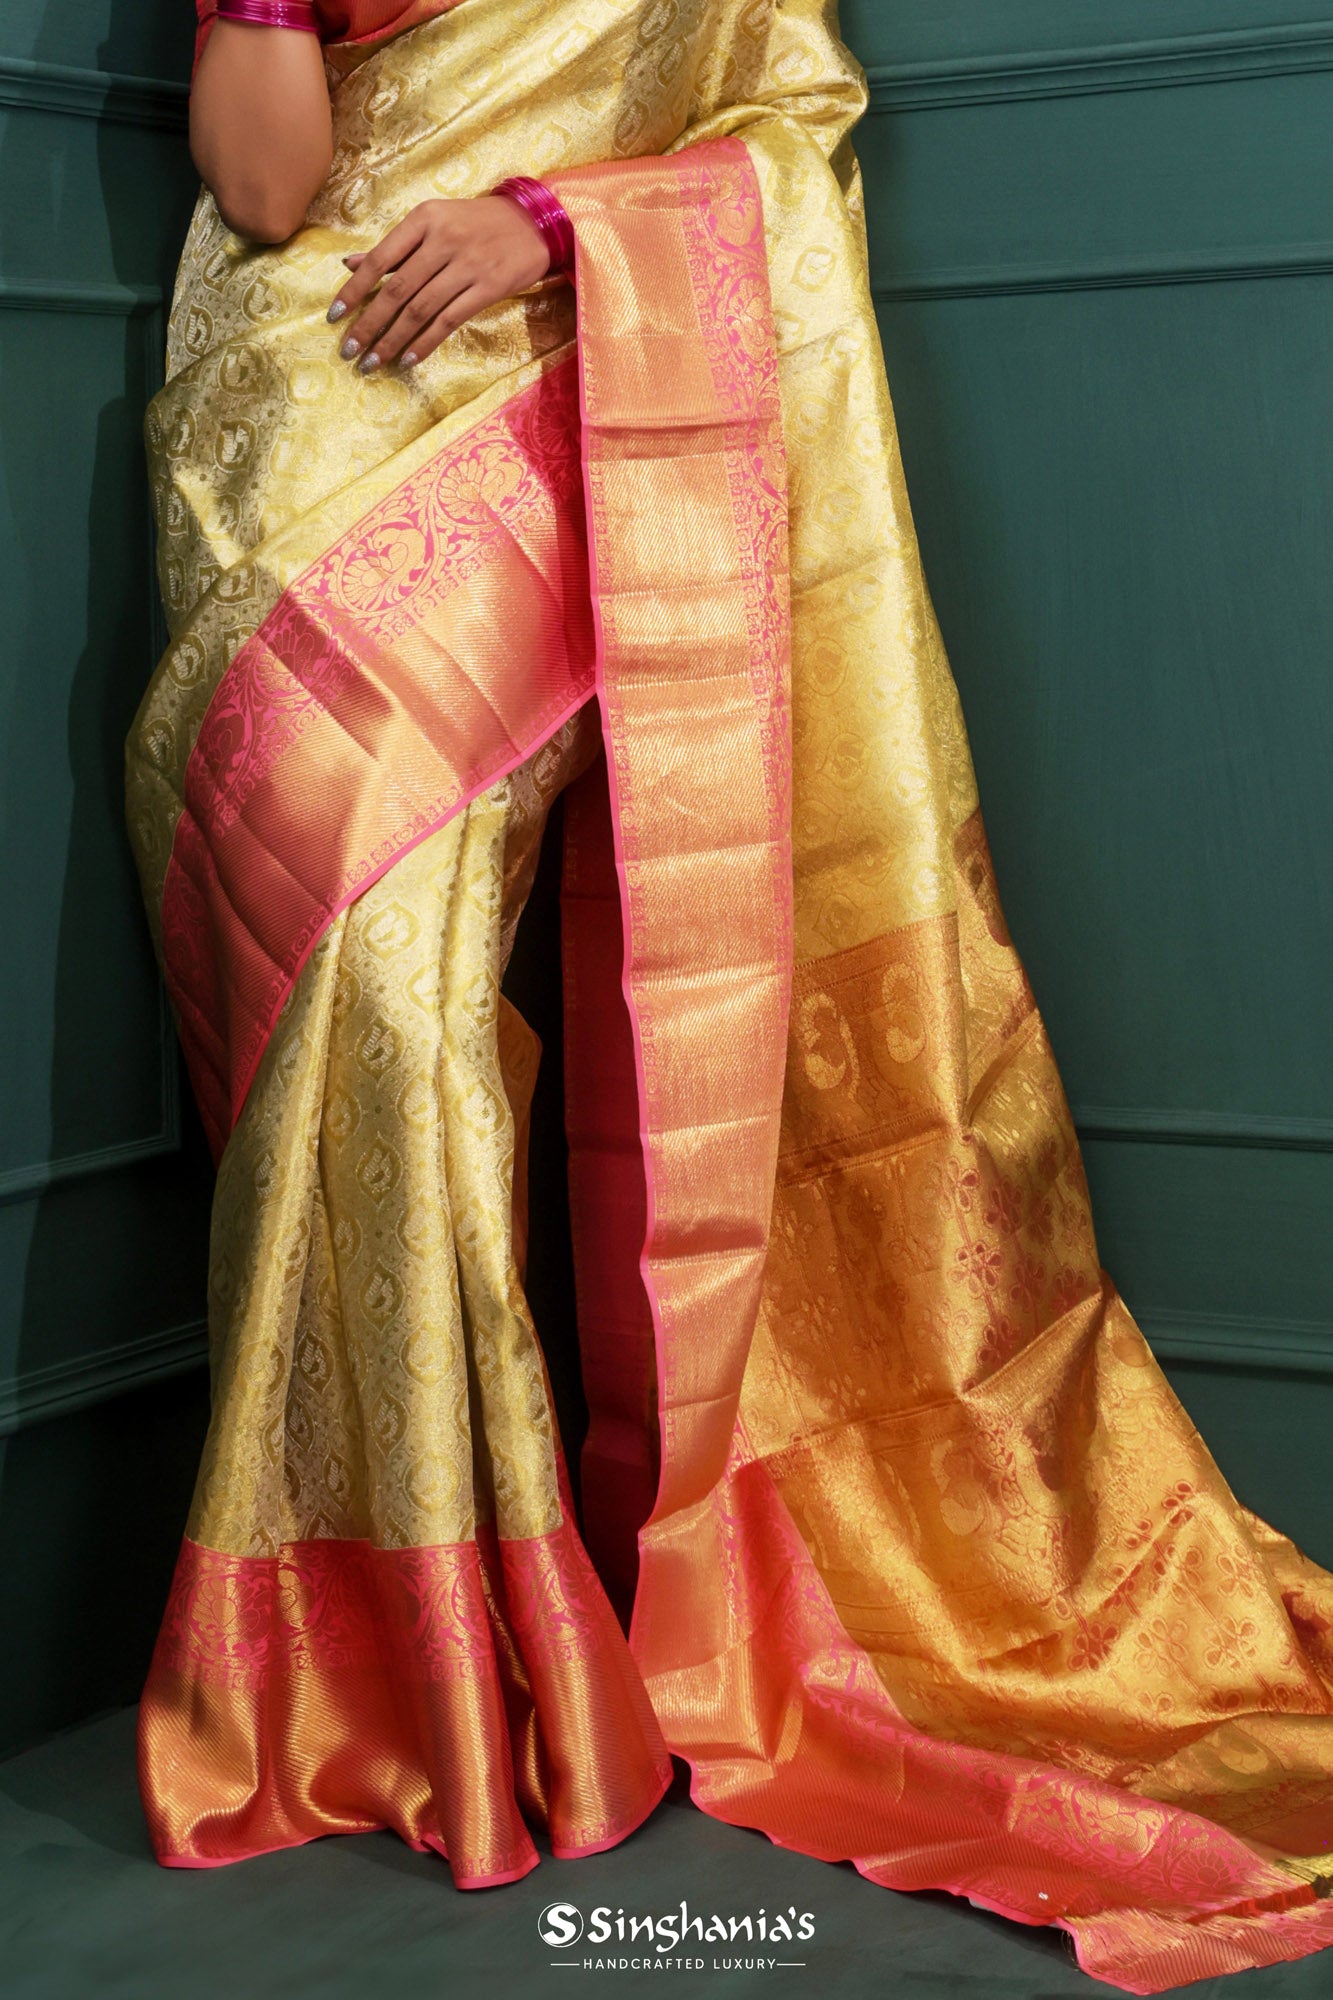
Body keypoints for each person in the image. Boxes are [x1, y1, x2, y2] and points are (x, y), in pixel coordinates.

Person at [126, 1, 1333, 1987]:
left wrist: (550, 225)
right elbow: (265, 189)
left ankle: (511, 1630)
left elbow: (782, 128)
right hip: (307, 415)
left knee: (447, 1025)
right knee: (356, 1017)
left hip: (557, 373)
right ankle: (382, 1656)